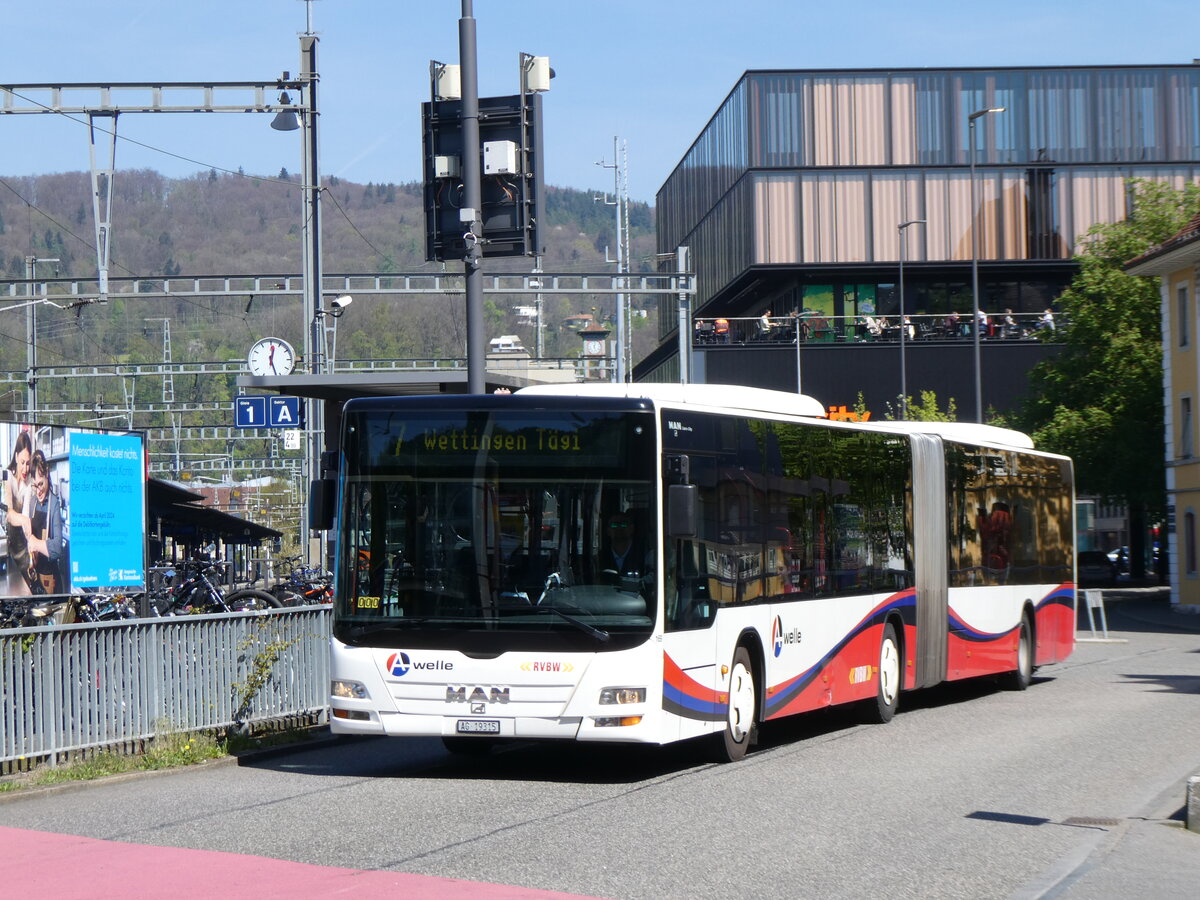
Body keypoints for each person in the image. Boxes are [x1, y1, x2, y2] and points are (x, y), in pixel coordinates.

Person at [25, 449, 67, 595]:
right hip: (36, 574)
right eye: (35, 485)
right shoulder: (32, 502)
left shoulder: (54, 503)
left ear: (47, 474)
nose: (38, 491)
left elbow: (56, 549)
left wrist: (35, 542)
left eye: (41, 484)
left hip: (51, 579)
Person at [5, 430, 33, 597]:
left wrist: (32, 549)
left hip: (22, 551)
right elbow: (9, 513)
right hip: (8, 549)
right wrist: (24, 520)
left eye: (28, 463)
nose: (25, 468)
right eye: (22, 462)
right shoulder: (6, 476)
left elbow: (27, 513)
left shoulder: (29, 483)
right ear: (16, 457)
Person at [599, 510, 650, 586]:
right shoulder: (600, 558)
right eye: (614, 525)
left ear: (632, 528)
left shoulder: (645, 554)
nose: (619, 528)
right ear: (608, 531)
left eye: (624, 524)